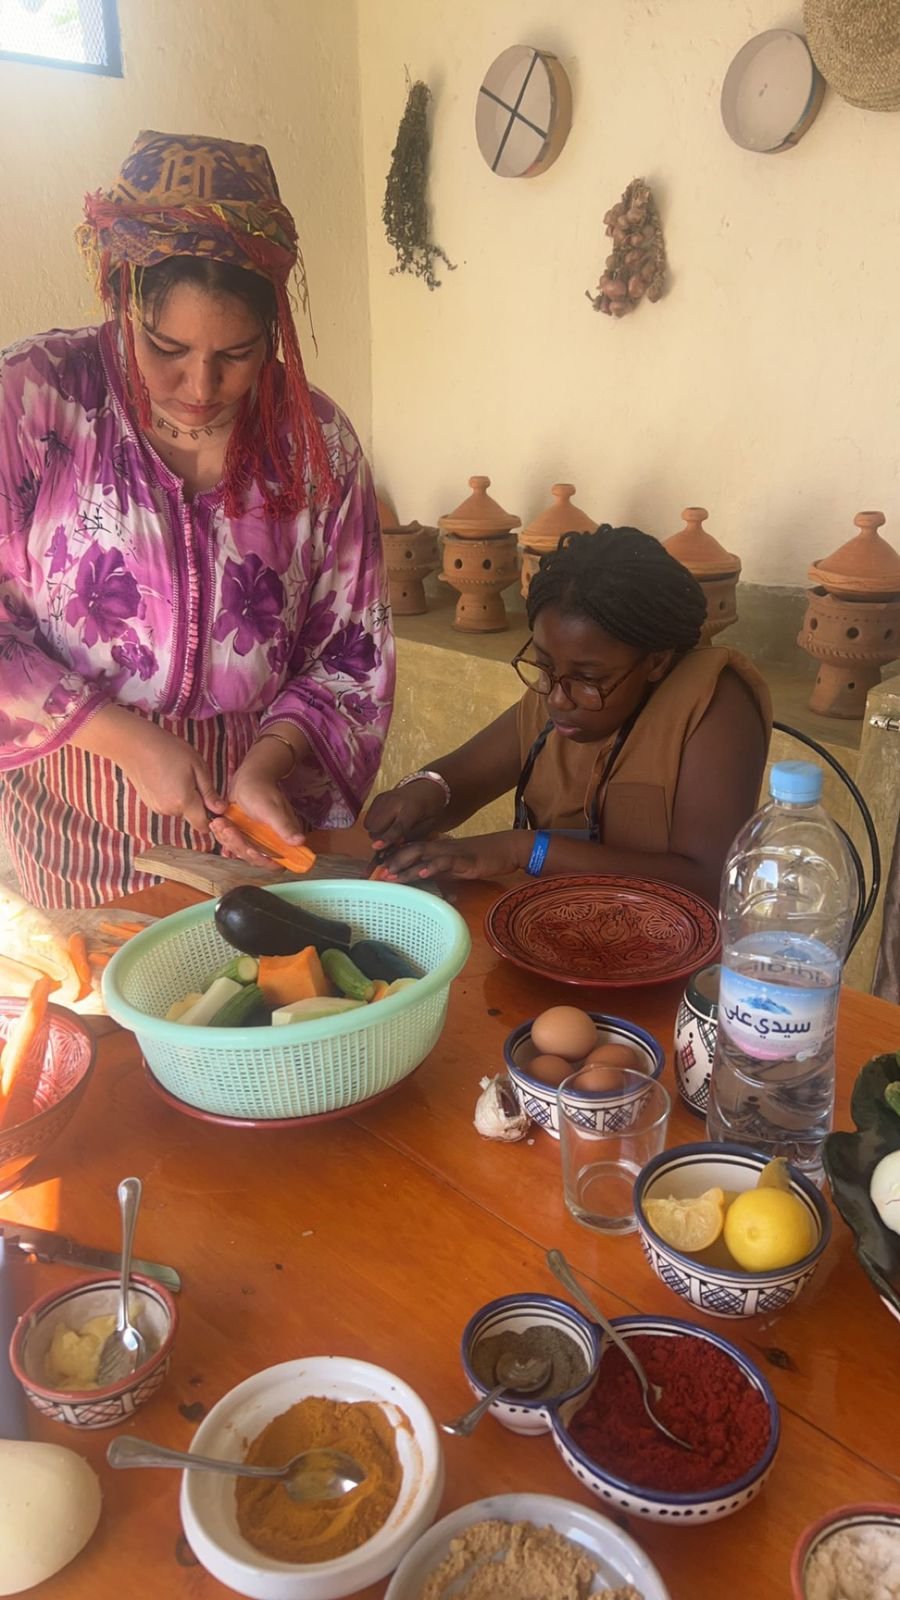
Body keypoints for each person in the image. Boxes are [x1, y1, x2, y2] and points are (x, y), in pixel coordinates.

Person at [0, 131, 394, 908]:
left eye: (238, 355)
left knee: (254, 1003)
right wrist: (120, 737)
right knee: (103, 1013)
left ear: (274, 326)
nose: (200, 386)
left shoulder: (315, 443)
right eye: (166, 347)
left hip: (255, 817)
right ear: (121, 296)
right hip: (81, 810)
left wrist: (267, 763)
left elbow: (350, 654)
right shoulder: (33, 400)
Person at [366, 526, 771, 904]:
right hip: (555, 925)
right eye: (544, 664)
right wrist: (423, 792)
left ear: (657, 663)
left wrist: (522, 849)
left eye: (589, 678)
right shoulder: (559, 691)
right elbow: (466, 776)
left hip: (668, 958)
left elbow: (710, 881)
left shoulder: (714, 705)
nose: (557, 698)